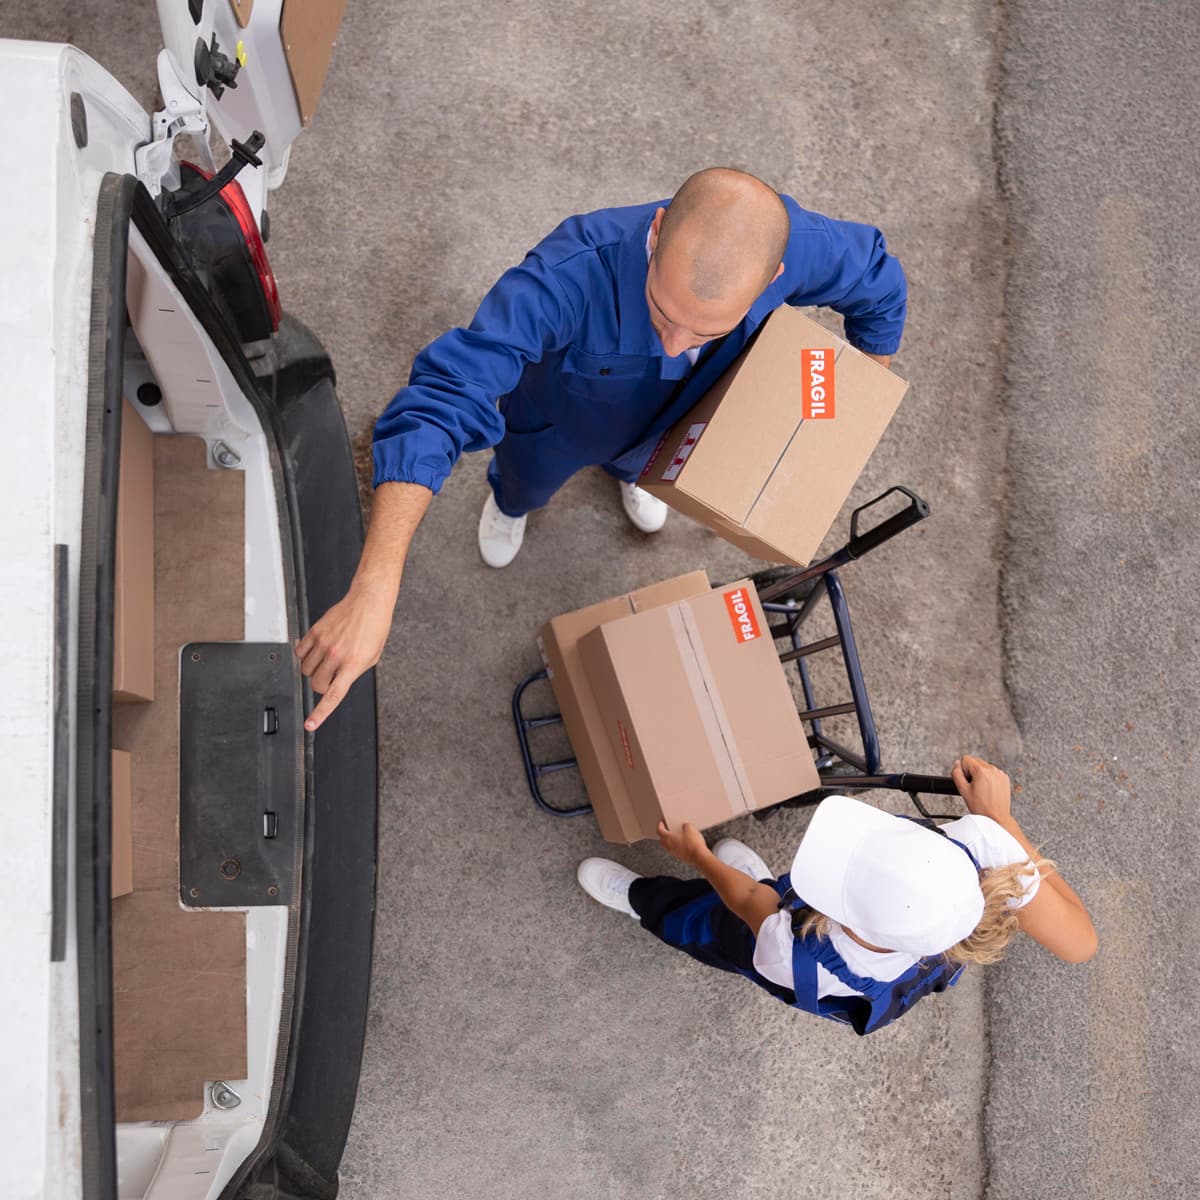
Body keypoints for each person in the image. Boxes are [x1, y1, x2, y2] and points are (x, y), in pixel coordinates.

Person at [294, 167, 907, 730]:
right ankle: (511, 505)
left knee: (649, 468)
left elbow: (878, 282)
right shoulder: (566, 273)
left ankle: (637, 476)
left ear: (775, 277)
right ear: (659, 229)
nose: (674, 345)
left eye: (706, 330)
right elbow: (447, 394)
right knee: (524, 482)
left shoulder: (796, 246)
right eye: (661, 312)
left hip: (676, 429)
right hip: (557, 426)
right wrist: (377, 580)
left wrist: (845, 403)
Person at [577, 756, 1097, 1034]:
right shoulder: (979, 851)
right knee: (766, 899)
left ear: (842, 916)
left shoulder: (792, 952)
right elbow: (1081, 944)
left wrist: (698, 858)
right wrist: (998, 821)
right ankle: (755, 878)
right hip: (804, 925)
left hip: (771, 928)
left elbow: (746, 905)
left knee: (710, 921)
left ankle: (641, 899)